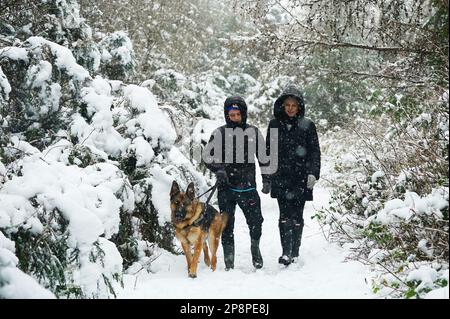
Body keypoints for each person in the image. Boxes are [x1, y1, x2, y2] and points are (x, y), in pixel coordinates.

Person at [203, 96, 267, 270]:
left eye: (238, 114)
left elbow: (264, 158)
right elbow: (207, 158)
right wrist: (219, 169)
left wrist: (267, 179)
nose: (235, 118)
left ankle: (255, 248)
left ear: (243, 114)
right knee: (226, 225)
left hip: (248, 186)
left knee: (256, 221)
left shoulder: (253, 132)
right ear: (227, 115)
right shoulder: (219, 133)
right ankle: (229, 261)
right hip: (226, 188)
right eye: (232, 115)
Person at [262, 86, 321, 266]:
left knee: (297, 216)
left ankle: (295, 249)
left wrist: (313, 173)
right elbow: (268, 152)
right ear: (281, 105)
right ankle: (286, 252)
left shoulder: (308, 125)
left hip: (301, 178)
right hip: (281, 178)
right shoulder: (274, 124)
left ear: (299, 107)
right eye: (287, 105)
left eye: (293, 105)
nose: (290, 108)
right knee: (284, 216)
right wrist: (266, 178)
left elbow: (314, 152)